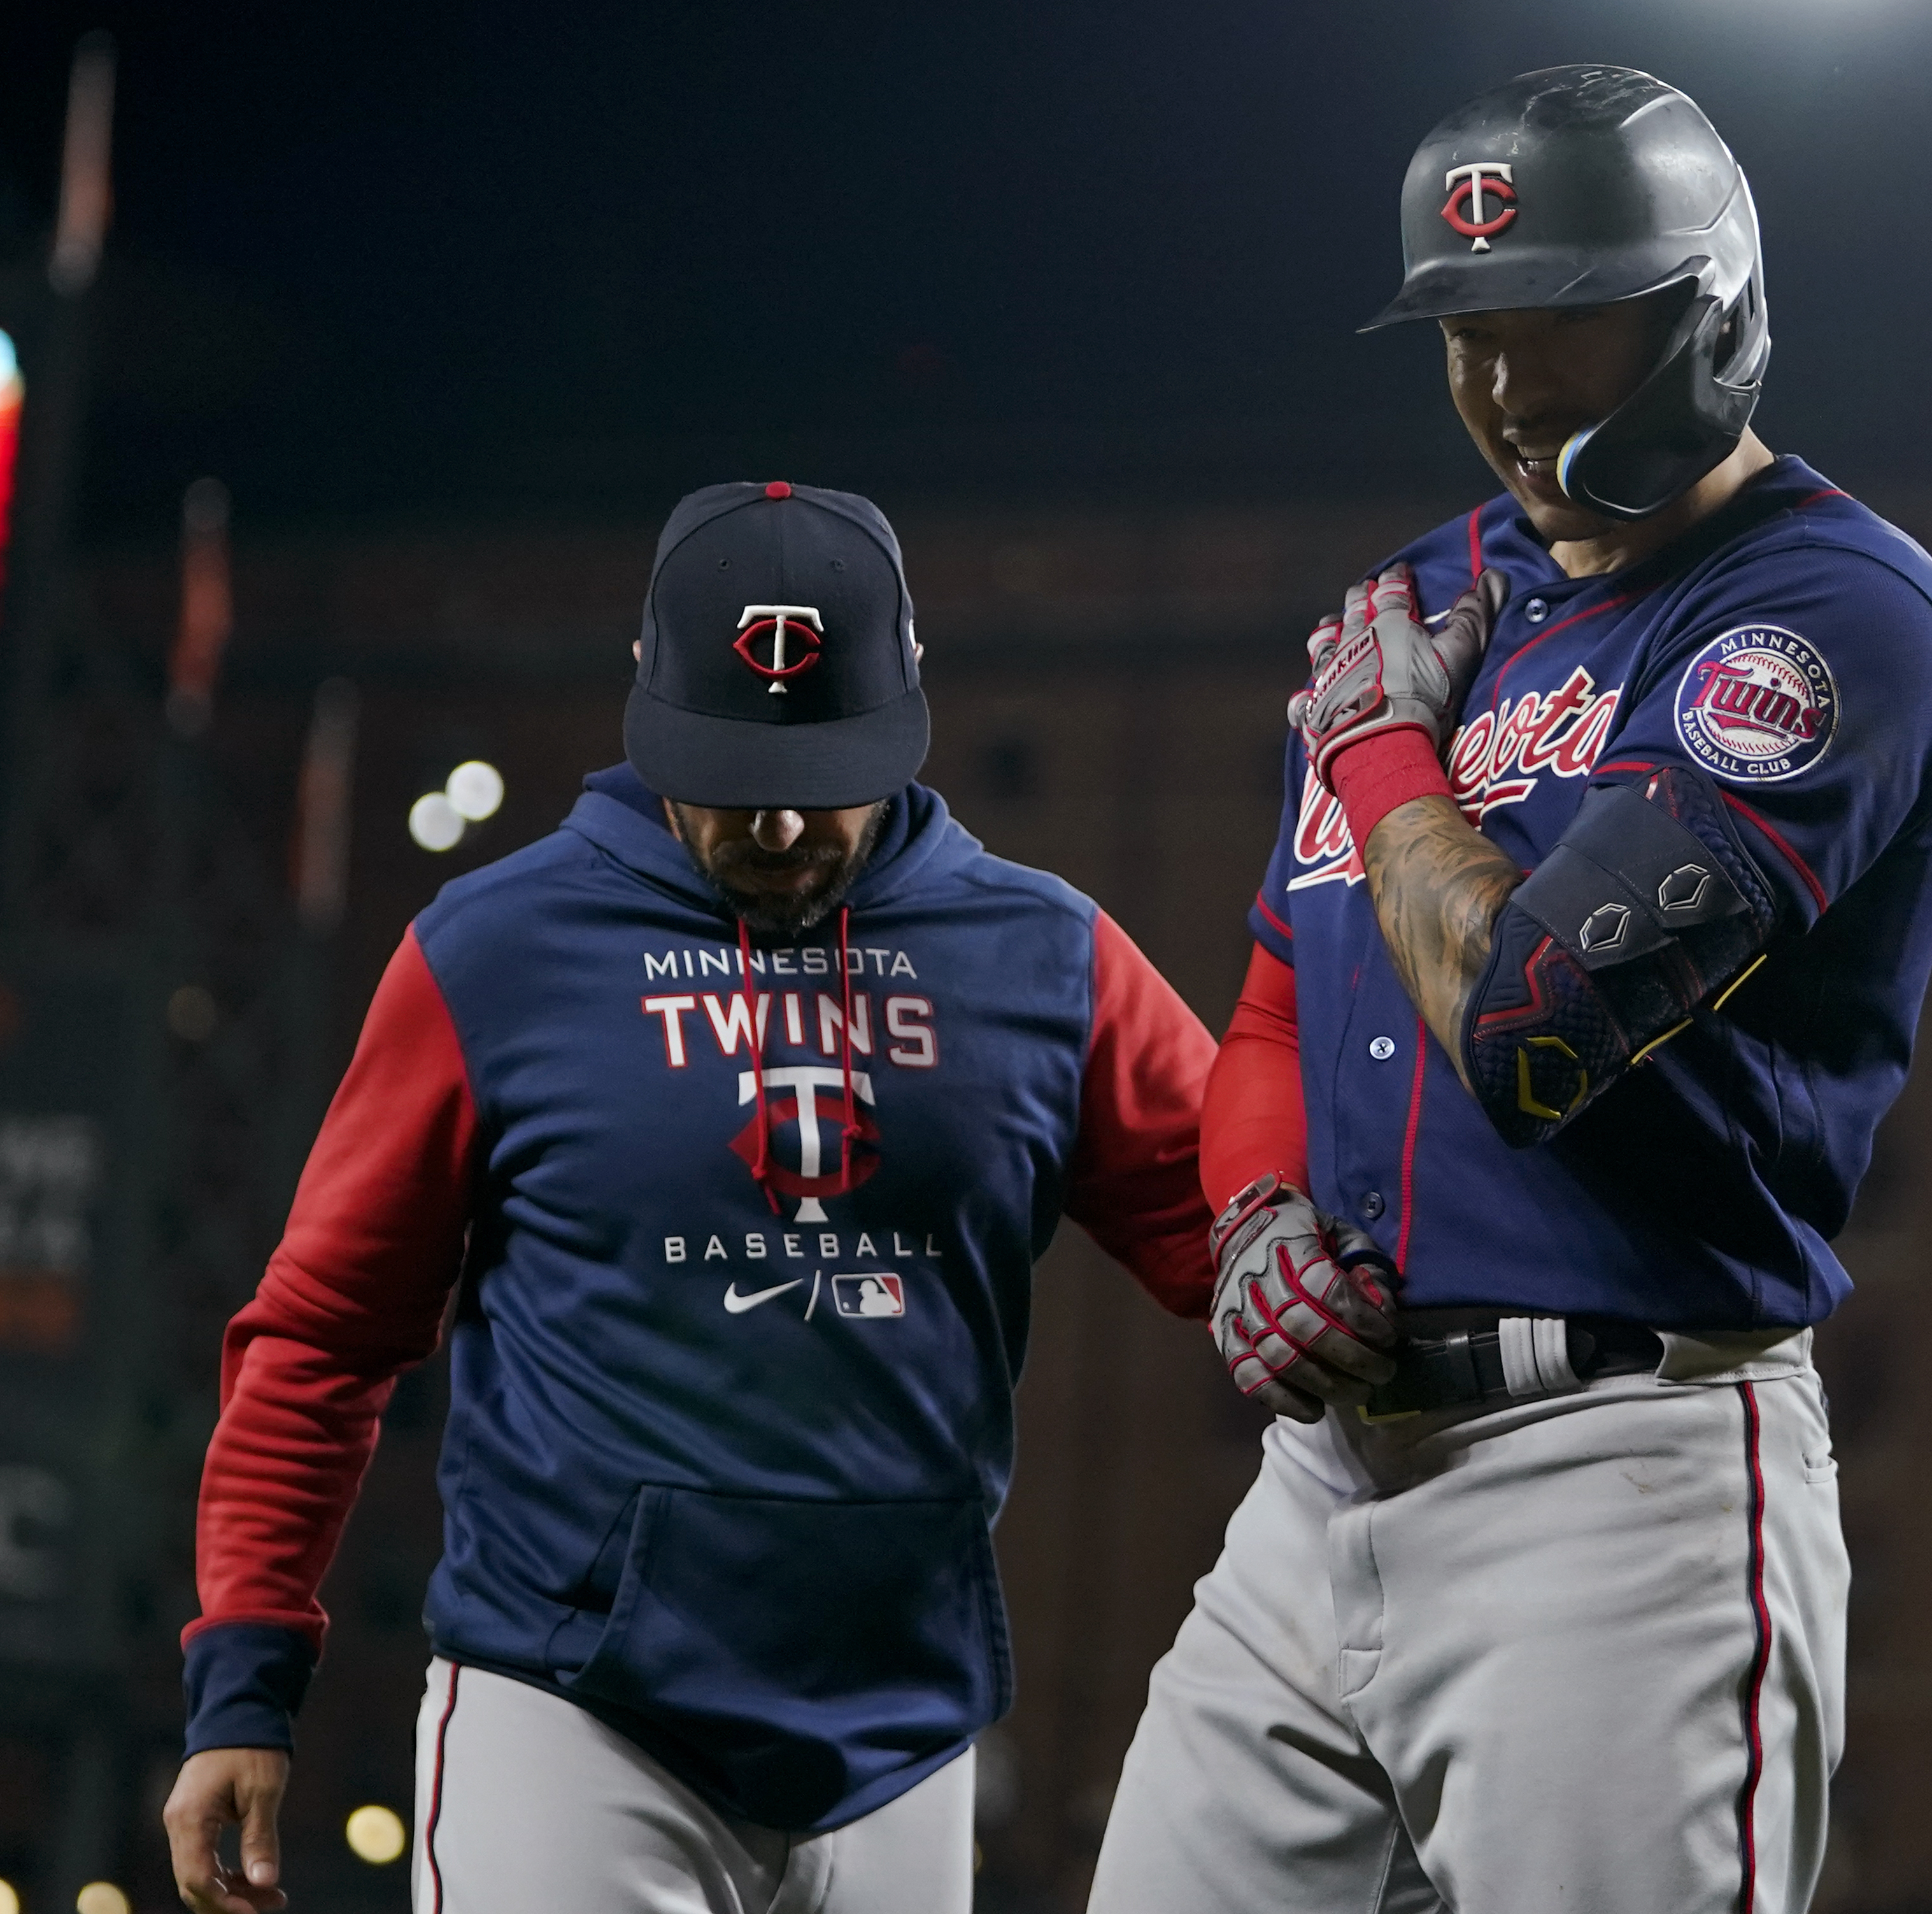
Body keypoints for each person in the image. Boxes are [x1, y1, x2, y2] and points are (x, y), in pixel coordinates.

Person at [1093, 64, 1932, 1912]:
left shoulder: (1826, 616)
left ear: (1706, 311)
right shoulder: (1421, 594)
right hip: (1320, 1492)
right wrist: (1253, 1212)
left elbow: (1536, 1024)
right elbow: (1275, 995)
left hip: (1622, 1480)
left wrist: (1385, 765)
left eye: (1561, 322)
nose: (1503, 387)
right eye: (1466, 333)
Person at [163, 480, 1216, 1914]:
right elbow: (323, 1337)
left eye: (819, 767)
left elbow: (1256, 1250)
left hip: (901, 1738)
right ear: (647, 707)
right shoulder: (494, 952)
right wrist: (243, 1679)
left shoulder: (1052, 959)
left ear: (905, 713)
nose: (775, 820)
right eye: (727, 769)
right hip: (574, 1714)